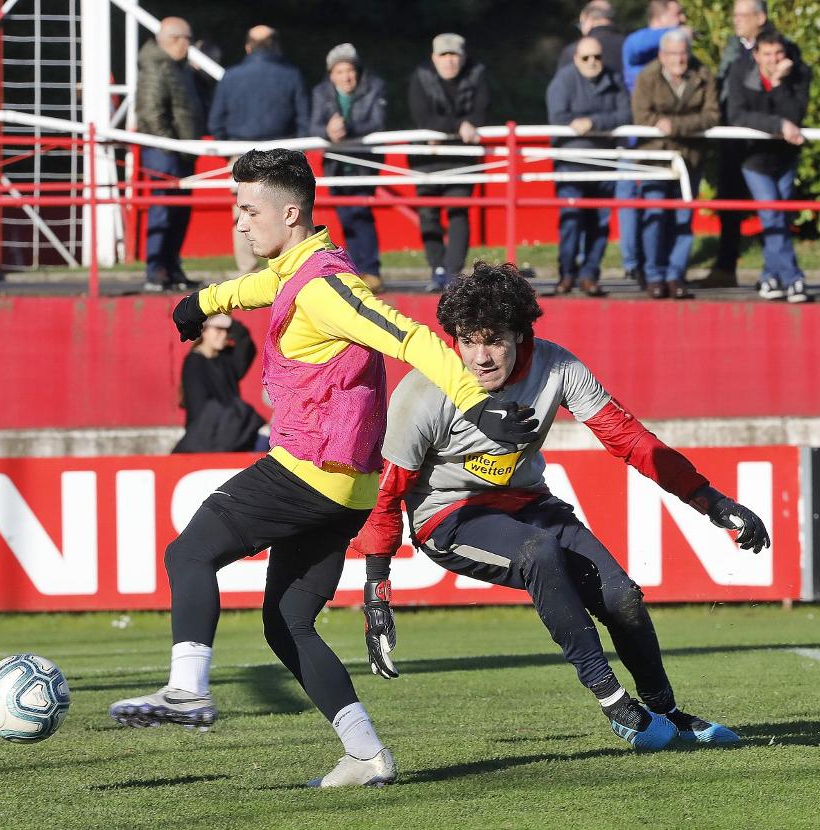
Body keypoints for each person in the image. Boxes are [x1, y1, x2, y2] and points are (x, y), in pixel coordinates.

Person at [107, 149, 538, 788]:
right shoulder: (302, 270)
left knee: (188, 554)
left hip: (315, 467)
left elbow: (411, 337)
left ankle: (187, 690)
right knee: (287, 623)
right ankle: (367, 755)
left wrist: (482, 405)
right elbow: (263, 288)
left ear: (290, 212)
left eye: (249, 211)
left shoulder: (325, 286)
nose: (241, 223)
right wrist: (205, 300)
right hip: (347, 486)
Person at [349, 262, 769, 751]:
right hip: (448, 517)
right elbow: (386, 495)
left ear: (521, 334)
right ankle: (616, 705)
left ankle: (664, 713)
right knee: (538, 551)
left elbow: (629, 439)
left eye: (494, 340)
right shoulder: (422, 392)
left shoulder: (557, 366)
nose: (480, 358)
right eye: (467, 341)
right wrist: (376, 592)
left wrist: (711, 502)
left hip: (530, 502)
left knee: (623, 597)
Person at [707, 0, 801, 287]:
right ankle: (729, 267)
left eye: (741, 15)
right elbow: (729, 92)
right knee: (731, 202)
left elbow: (789, 99)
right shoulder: (735, 47)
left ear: (760, 18)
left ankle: (779, 275)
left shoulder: (781, 49)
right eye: (734, 14)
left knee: (774, 212)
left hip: (769, 145)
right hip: (736, 137)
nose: (735, 20)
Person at [208, 25, 309, 278]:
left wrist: (229, 147)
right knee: (285, 212)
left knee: (243, 212)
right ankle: (287, 270)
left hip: (240, 153)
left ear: (247, 47)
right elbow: (304, 121)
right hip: (282, 153)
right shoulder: (291, 75)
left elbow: (215, 123)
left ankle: (247, 272)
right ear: (275, 45)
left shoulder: (231, 76)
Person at [631, 28, 719, 299]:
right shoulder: (647, 77)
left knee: (683, 219)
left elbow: (712, 116)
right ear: (662, 55)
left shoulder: (703, 75)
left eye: (683, 53)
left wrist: (674, 125)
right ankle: (654, 275)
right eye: (673, 54)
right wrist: (665, 126)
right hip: (655, 159)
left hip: (689, 160)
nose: (679, 59)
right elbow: (641, 115)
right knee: (654, 217)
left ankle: (675, 276)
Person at [727, 30, 812, 302]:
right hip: (753, 159)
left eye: (778, 54)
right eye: (767, 54)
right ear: (755, 55)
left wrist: (778, 85)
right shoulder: (740, 73)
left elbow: (795, 114)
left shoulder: (798, 75)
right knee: (771, 215)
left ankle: (769, 277)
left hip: (785, 158)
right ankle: (794, 278)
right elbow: (738, 115)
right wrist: (777, 125)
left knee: (780, 219)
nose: (773, 60)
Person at [546, 35, 630, 296]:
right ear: (575, 59)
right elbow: (558, 117)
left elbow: (625, 114)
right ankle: (567, 273)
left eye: (597, 57)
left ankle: (589, 274)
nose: (593, 62)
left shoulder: (614, 79)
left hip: (604, 163)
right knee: (571, 221)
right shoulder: (563, 81)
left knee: (600, 223)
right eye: (586, 58)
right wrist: (592, 124)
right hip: (571, 163)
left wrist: (591, 123)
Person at [408, 33, 490, 291]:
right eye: (444, 55)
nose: (449, 61)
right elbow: (422, 116)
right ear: (434, 58)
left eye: (454, 55)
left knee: (458, 211)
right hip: (426, 159)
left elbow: (482, 111)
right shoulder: (420, 76)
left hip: (461, 158)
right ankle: (437, 269)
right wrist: (458, 126)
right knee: (428, 213)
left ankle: (453, 274)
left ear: (463, 57)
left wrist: (449, 130)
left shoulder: (477, 74)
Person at [618, 0, 688, 287]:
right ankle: (634, 265)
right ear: (660, 17)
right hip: (637, 143)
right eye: (677, 13)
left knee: (661, 208)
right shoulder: (637, 46)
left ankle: (652, 267)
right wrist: (678, 32)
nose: (683, 18)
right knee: (633, 203)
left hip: (666, 144)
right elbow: (634, 45)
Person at [310, 43, 387, 293]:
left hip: (363, 164)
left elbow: (378, 121)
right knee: (346, 217)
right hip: (336, 167)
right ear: (331, 74)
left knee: (362, 214)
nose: (346, 76)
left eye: (350, 70)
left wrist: (346, 130)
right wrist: (327, 132)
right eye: (340, 71)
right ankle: (358, 270)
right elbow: (312, 126)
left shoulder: (375, 87)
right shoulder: (320, 93)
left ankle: (371, 270)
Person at [136, 16, 206, 293]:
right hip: (165, 152)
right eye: (187, 39)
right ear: (175, 40)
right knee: (163, 211)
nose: (189, 45)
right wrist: (173, 145)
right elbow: (152, 112)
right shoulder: (157, 68)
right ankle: (155, 271)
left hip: (179, 150)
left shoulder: (177, 67)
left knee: (178, 212)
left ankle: (171, 268)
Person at [171, 314, 265, 453]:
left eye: (227, 331)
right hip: (208, 437)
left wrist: (231, 322)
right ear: (204, 331)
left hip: (230, 431)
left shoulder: (225, 359)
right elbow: (200, 410)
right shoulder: (194, 362)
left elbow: (246, 346)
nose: (224, 335)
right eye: (219, 330)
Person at [558, 1, 625, 74]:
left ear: (589, 20)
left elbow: (562, 83)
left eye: (581, 24)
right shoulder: (629, 45)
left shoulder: (573, 51)